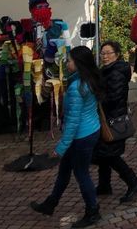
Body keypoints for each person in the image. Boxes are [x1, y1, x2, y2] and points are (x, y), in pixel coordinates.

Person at [31, 46, 104, 227]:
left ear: (79, 64)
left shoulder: (77, 87)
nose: (67, 63)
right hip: (90, 130)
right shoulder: (89, 79)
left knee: (81, 174)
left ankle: (93, 211)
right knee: (64, 170)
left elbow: (73, 122)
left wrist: (61, 147)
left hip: (81, 137)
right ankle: (51, 203)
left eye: (70, 60)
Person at [93, 41, 137, 203]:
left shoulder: (115, 73)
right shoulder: (108, 71)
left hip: (114, 120)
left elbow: (114, 98)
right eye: (103, 53)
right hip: (109, 118)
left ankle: (134, 182)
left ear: (117, 54)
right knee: (103, 154)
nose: (105, 56)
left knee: (110, 155)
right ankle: (104, 185)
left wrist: (97, 99)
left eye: (108, 53)